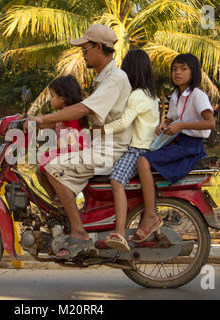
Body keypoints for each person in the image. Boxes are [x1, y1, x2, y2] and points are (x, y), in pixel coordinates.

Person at [25, 24, 132, 259]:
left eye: (86, 49)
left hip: (110, 148)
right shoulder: (103, 79)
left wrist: (41, 118)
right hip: (100, 143)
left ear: (99, 48)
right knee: (47, 166)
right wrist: (39, 123)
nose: (83, 53)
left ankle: (78, 232)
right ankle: (66, 215)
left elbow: (81, 110)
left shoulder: (114, 79)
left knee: (53, 168)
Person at [134, 53, 215, 243]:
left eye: (183, 69)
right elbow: (172, 118)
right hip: (177, 142)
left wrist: (181, 125)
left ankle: (150, 215)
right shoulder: (177, 95)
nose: (177, 73)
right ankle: (149, 210)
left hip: (190, 147)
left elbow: (210, 123)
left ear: (193, 72)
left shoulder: (197, 95)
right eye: (174, 69)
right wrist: (164, 124)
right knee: (141, 159)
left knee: (143, 162)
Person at [99, 49, 159, 252]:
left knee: (116, 181)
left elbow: (124, 123)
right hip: (144, 148)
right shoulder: (151, 96)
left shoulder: (137, 95)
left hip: (136, 150)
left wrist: (101, 130)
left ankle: (120, 232)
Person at [36, 75, 88, 206]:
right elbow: (45, 125)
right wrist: (27, 121)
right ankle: (57, 200)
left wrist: (38, 120)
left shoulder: (68, 113)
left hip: (73, 154)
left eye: (52, 96)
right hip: (66, 153)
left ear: (63, 98)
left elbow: (50, 121)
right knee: (40, 170)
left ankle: (62, 199)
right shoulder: (62, 115)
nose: (50, 100)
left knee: (46, 167)